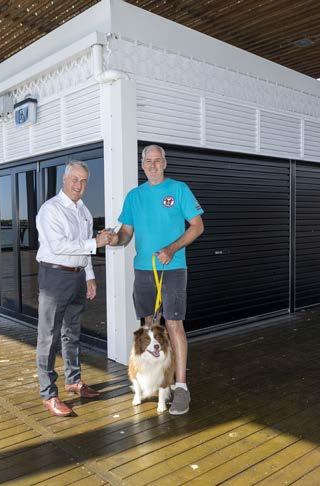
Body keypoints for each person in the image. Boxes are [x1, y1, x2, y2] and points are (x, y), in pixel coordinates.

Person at [109, 145, 204, 415]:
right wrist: (113, 239)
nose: (152, 165)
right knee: (149, 327)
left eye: (157, 160)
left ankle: (181, 387)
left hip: (173, 268)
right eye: (148, 161)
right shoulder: (134, 196)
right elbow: (126, 233)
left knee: (174, 326)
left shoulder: (179, 189)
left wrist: (172, 248)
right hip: (144, 270)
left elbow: (198, 226)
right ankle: (155, 382)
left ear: (165, 163)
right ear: (142, 165)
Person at [35, 160, 110, 417]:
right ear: (64, 180)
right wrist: (95, 242)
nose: (79, 185)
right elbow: (59, 246)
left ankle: (74, 381)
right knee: (49, 336)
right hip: (54, 277)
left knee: (72, 332)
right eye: (74, 179)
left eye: (83, 181)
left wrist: (89, 276)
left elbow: (84, 250)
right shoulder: (50, 209)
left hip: (77, 276)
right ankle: (48, 394)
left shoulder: (84, 211)